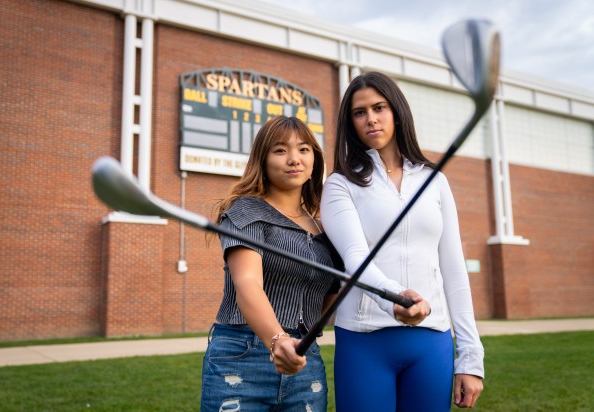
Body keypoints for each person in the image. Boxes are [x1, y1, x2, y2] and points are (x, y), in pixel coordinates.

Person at [321, 71, 484, 411]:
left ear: (396, 111)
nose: (371, 119)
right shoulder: (340, 184)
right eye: (359, 112)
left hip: (433, 342)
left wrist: (470, 358)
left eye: (379, 108)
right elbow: (354, 257)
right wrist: (392, 299)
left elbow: (453, 269)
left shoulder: (434, 180)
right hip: (365, 342)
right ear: (351, 122)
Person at [200, 115, 340, 411]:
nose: (294, 159)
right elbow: (247, 283)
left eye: (304, 149)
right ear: (261, 159)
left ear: (315, 158)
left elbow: (331, 296)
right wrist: (277, 340)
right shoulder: (246, 211)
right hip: (243, 353)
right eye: (280, 150)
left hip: (304, 357)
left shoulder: (326, 228)